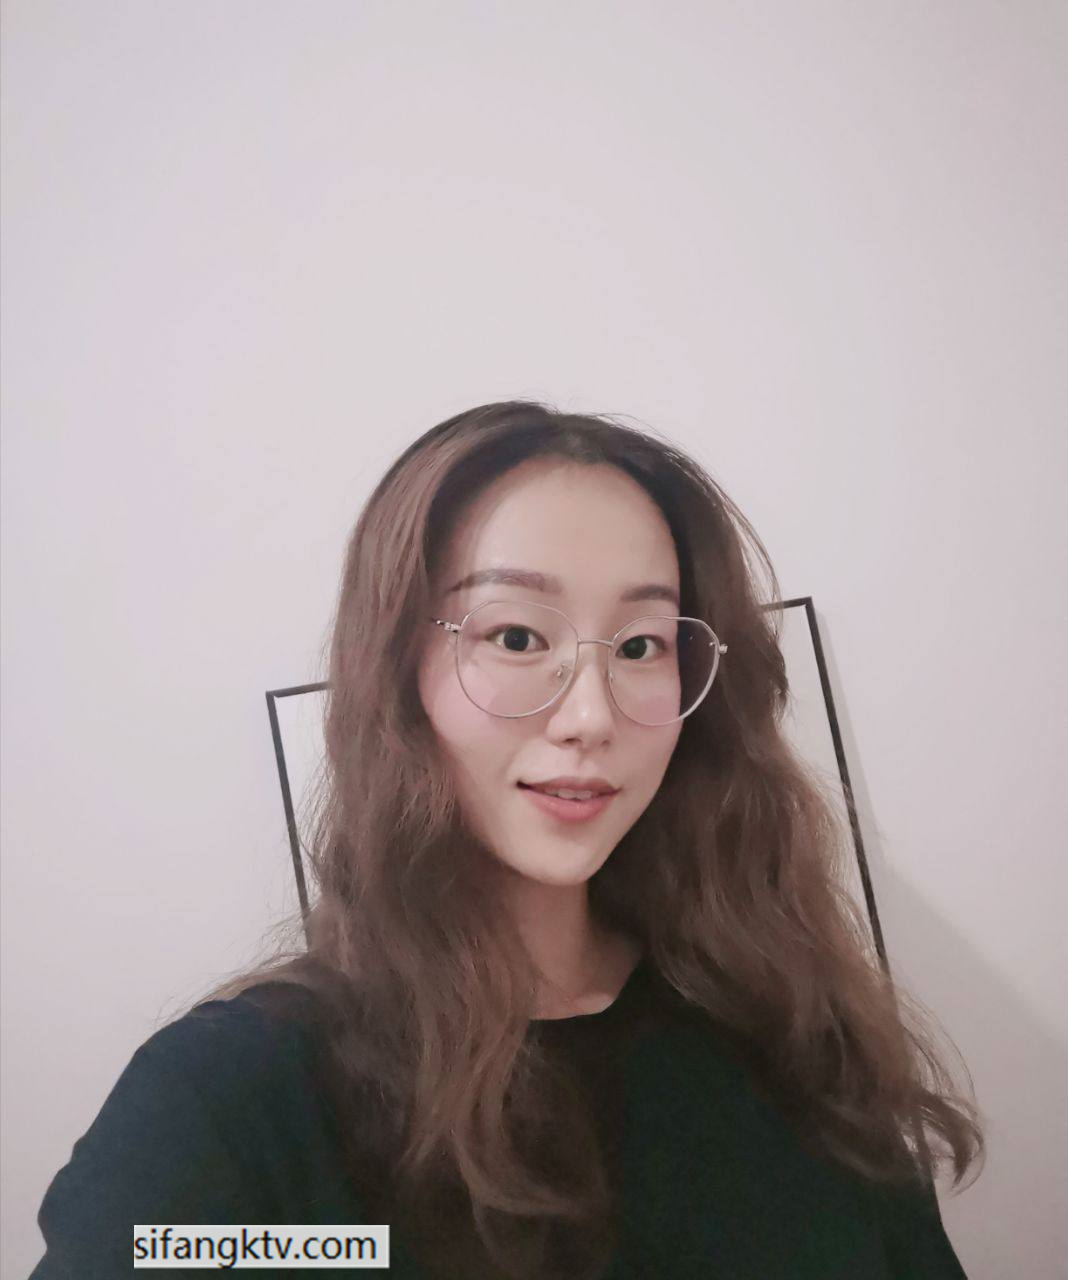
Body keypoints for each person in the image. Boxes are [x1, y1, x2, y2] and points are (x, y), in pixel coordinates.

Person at [30, 401, 984, 1279]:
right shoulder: (233, 1105)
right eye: (517, 637)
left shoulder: (788, 1032)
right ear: (396, 671)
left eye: (641, 646)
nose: (591, 715)